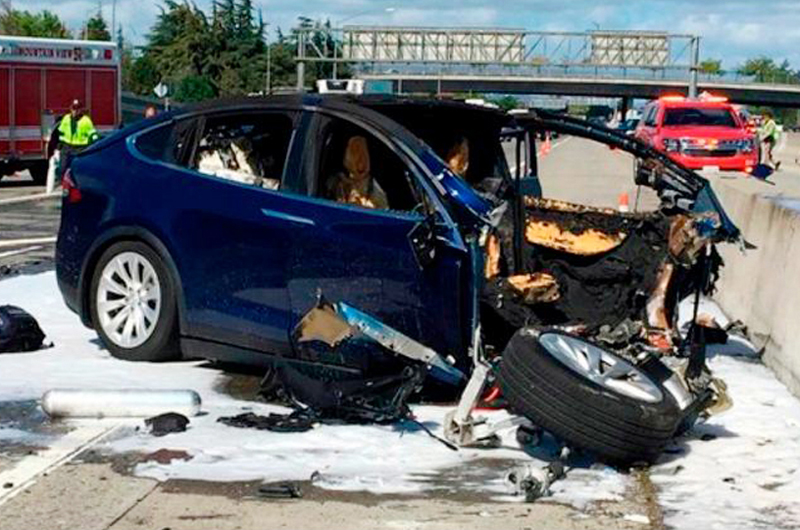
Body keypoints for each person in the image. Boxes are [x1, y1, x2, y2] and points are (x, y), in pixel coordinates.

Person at [327, 136, 388, 210]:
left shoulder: (375, 190)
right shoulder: (335, 182)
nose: (360, 162)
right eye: (354, 152)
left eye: (363, 153)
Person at [58, 100, 99, 176]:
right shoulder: (66, 118)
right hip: (67, 146)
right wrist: (59, 144)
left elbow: (93, 134)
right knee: (62, 168)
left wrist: (96, 144)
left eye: (77, 109)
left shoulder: (86, 121)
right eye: (73, 108)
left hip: (80, 148)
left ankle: (76, 184)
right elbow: (61, 132)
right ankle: (64, 182)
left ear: (81, 110)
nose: (75, 111)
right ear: (70, 109)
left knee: (78, 169)